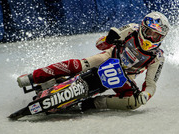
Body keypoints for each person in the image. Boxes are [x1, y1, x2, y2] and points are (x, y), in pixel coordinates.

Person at [17, 11, 170, 111]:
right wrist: (109, 39)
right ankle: (33, 76)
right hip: (109, 57)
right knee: (79, 64)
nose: (151, 38)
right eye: (149, 32)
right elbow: (99, 44)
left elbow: (150, 84)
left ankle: (91, 104)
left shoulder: (158, 57)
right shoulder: (131, 29)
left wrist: (146, 95)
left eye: (156, 36)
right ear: (143, 28)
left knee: (134, 102)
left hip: (125, 76)